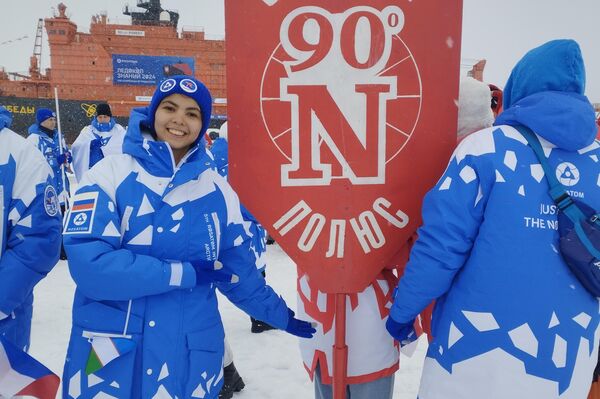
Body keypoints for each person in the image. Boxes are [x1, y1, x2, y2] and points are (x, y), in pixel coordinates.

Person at [61, 75, 315, 398]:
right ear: (153, 113)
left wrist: (283, 317)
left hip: (187, 367)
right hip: (113, 363)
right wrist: (181, 273)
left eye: (192, 113)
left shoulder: (218, 192)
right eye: (170, 108)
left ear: (202, 124)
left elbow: (240, 276)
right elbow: (90, 266)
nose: (179, 119)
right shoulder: (110, 174)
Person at [386, 39, 600, 398]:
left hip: (474, 352)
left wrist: (402, 314)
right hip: (564, 358)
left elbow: (439, 248)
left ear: (521, 86)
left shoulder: (486, 148)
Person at [0, 105, 62, 351]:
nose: (54, 123)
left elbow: (38, 238)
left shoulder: (19, 151)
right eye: (50, 119)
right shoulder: (34, 139)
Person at [71, 102, 126, 183]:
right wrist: (89, 145)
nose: (102, 119)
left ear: (110, 117)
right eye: (100, 117)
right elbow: (76, 147)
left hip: (113, 174)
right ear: (96, 117)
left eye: (105, 117)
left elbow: (124, 149)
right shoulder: (88, 131)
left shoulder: (119, 131)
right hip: (93, 172)